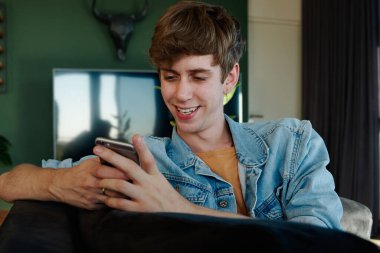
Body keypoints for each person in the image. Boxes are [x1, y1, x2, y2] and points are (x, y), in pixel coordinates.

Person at [0, 1, 342, 228]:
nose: (180, 94)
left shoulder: (292, 142)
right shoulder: (143, 162)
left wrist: (179, 208)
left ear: (230, 78)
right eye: (170, 76)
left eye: (198, 76)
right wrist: (59, 182)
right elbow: (10, 183)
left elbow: (319, 243)